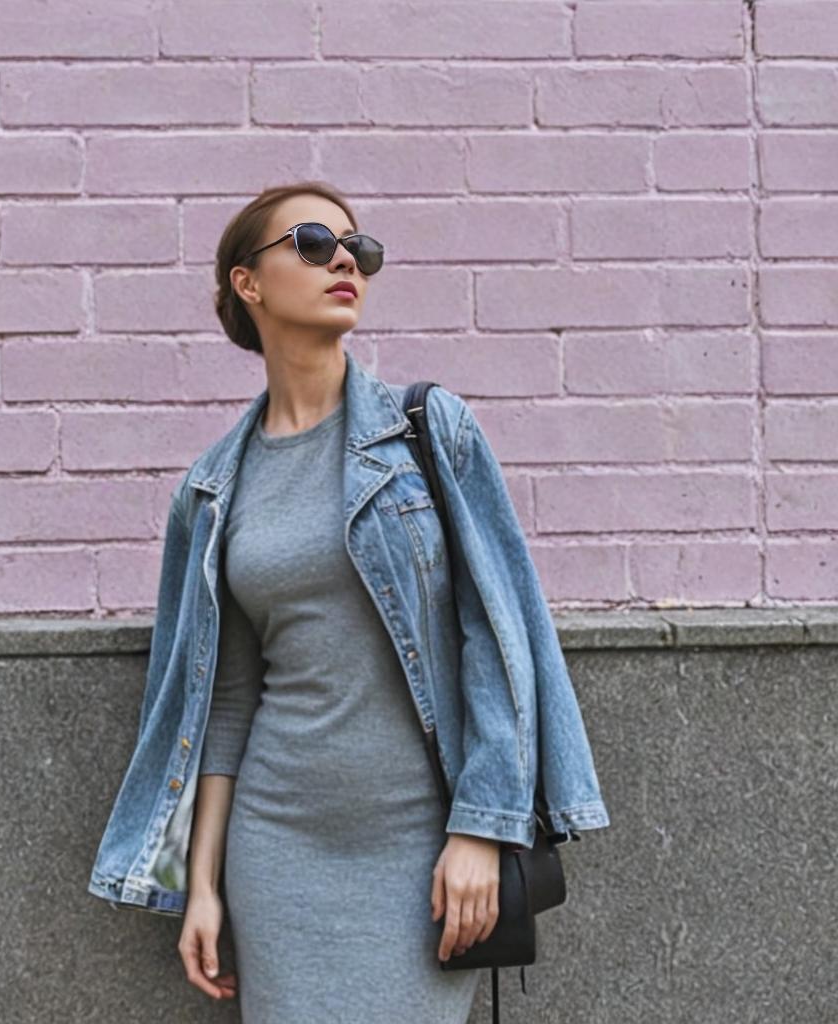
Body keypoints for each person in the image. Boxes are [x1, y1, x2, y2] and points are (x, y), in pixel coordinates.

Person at [86, 179, 610, 1023]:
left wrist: (483, 824)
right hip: (277, 844)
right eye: (312, 244)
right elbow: (222, 699)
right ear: (247, 284)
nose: (344, 262)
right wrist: (203, 887)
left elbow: (497, 633)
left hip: (422, 844)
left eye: (358, 250)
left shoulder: (427, 433)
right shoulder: (214, 489)